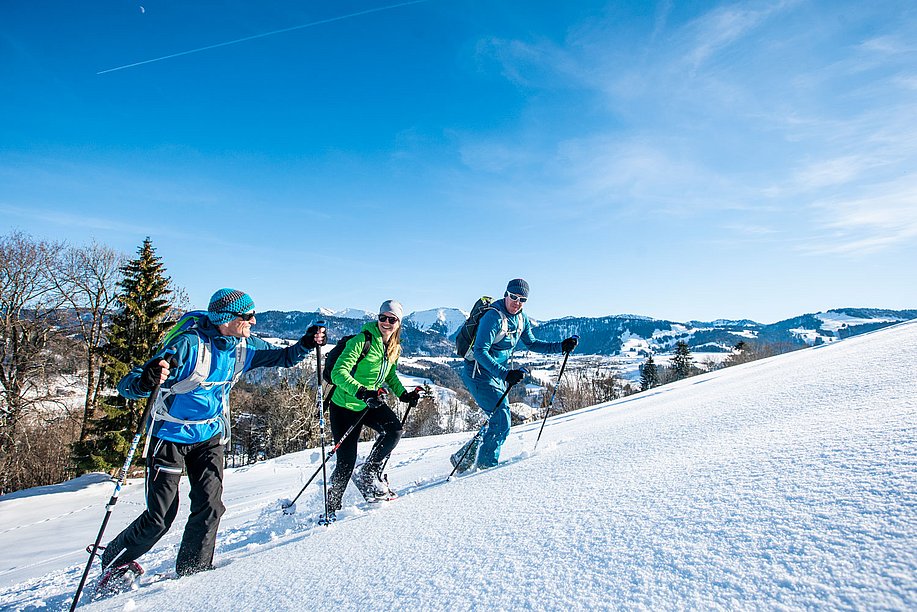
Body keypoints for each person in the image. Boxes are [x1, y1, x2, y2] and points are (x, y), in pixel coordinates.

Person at [98, 288, 326, 586]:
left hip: (209, 436)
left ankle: (194, 573)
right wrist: (146, 378)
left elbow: (284, 357)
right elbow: (128, 385)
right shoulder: (188, 345)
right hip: (170, 436)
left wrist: (307, 343)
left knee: (210, 505)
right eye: (248, 316)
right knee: (160, 517)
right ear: (226, 318)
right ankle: (114, 561)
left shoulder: (242, 346)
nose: (254, 321)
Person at [459, 278, 577, 470]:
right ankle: (485, 468)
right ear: (506, 294)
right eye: (514, 297)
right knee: (501, 420)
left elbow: (531, 343)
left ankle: (463, 459)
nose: (517, 302)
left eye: (522, 299)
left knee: (497, 419)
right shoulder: (494, 317)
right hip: (478, 373)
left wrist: (560, 346)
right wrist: (505, 373)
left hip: (496, 375)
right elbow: (480, 350)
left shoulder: (521, 318)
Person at [324, 299, 420, 520]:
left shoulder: (393, 347)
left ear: (398, 323)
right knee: (346, 462)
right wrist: (362, 392)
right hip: (345, 406)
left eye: (391, 319)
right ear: (377, 318)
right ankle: (331, 508)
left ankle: (368, 472)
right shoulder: (361, 341)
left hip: (369, 403)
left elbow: (390, 375)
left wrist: (403, 394)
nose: (386, 322)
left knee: (394, 431)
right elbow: (339, 373)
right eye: (383, 317)